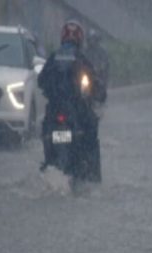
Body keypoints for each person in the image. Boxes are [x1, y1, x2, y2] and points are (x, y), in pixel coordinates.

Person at [38, 19, 106, 173]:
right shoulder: (82, 59)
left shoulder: (53, 57)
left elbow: (41, 80)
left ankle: (48, 163)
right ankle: (92, 172)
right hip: (76, 110)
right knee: (91, 134)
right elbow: (96, 85)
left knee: (46, 132)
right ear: (81, 39)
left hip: (55, 111)